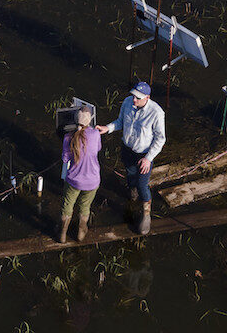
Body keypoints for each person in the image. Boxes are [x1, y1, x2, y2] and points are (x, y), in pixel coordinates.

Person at [100, 82, 165, 235]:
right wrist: (107, 128)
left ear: (147, 98)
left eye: (138, 98)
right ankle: (132, 191)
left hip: (144, 155)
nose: (134, 100)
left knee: (143, 184)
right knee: (130, 174)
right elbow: (120, 122)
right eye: (133, 96)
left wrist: (148, 158)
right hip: (127, 150)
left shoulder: (157, 113)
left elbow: (160, 139)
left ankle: (146, 214)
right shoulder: (128, 103)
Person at [59, 107, 101, 242]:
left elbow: (65, 159)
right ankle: (81, 232)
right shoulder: (95, 134)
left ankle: (63, 234)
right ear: (90, 121)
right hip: (93, 181)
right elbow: (97, 149)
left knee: (67, 205)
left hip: (73, 180)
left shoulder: (68, 137)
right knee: (84, 206)